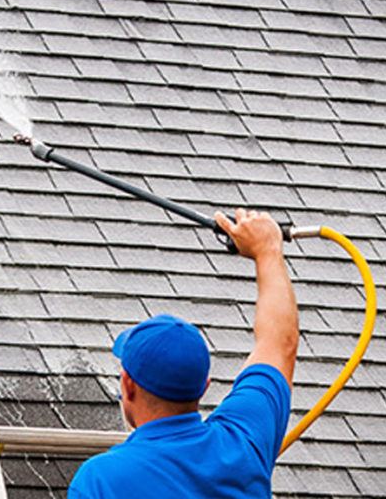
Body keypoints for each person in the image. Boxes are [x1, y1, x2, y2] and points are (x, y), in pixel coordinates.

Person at [68, 208, 299, 498]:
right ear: (204, 387)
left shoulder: (101, 480)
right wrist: (268, 250)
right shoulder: (242, 442)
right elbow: (280, 343)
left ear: (128, 384)